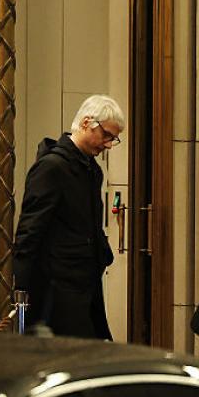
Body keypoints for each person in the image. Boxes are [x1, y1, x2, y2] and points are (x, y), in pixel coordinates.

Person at [13, 94, 124, 339]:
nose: (107, 144)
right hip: (58, 288)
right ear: (86, 123)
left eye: (113, 139)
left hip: (85, 283)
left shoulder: (92, 170)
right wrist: (22, 284)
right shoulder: (52, 168)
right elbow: (30, 229)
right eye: (106, 135)